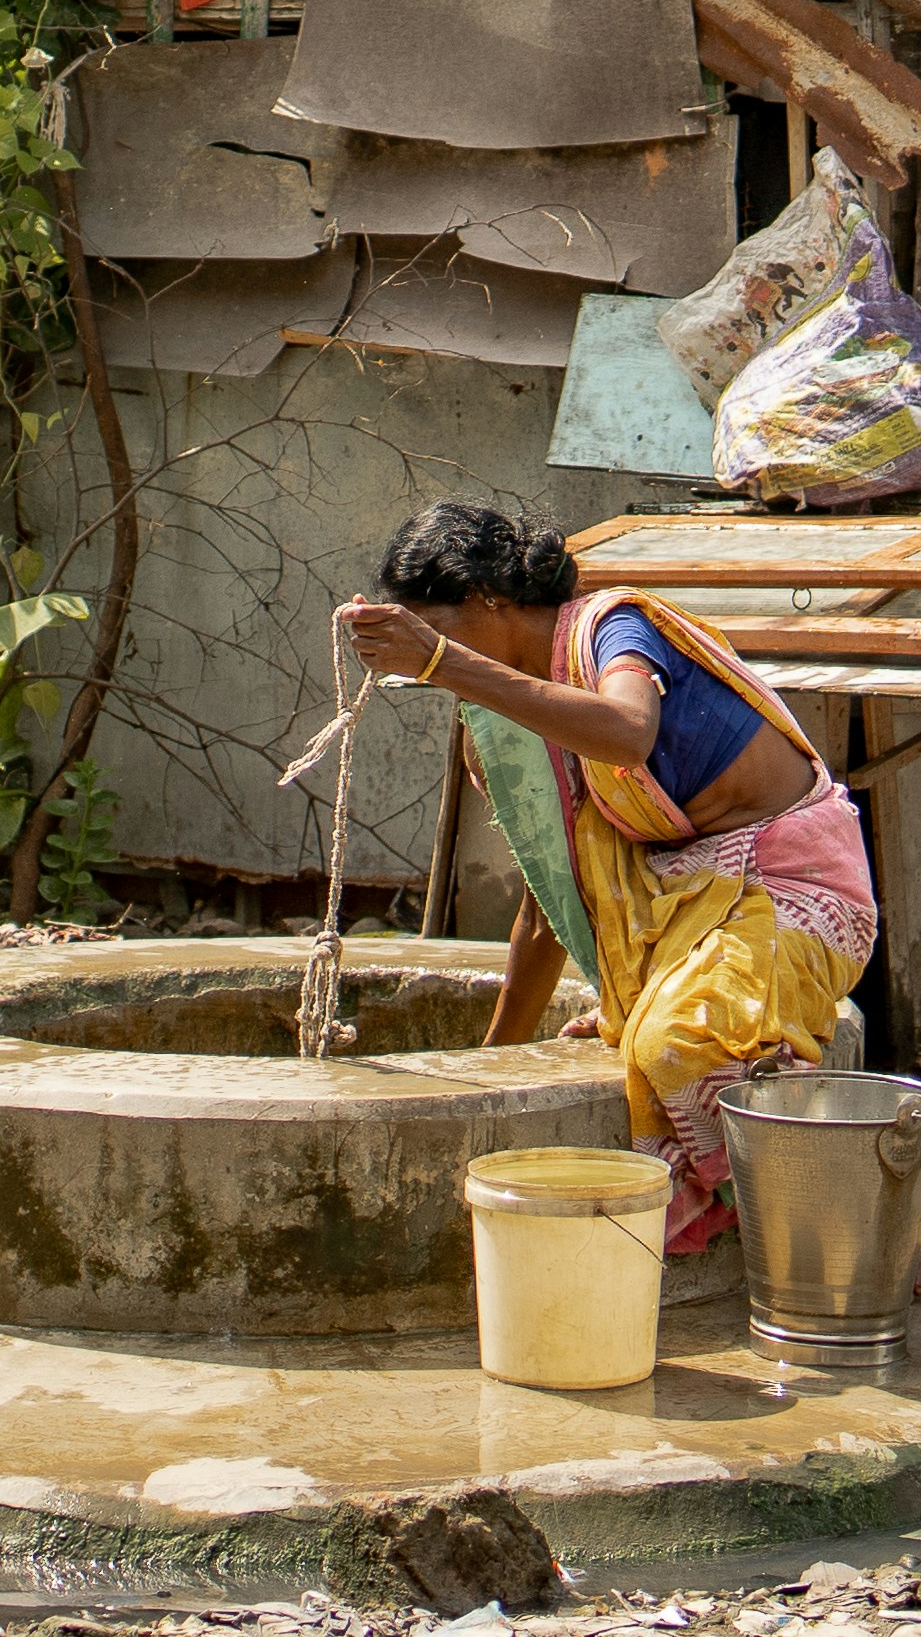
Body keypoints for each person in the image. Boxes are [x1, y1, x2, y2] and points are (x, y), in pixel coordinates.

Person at [336, 499, 877, 1254]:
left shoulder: (614, 630)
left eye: (441, 626)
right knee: (636, 1051)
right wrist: (495, 1064)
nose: (434, 654)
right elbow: (550, 904)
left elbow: (625, 734)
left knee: (674, 1045)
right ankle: (727, 1210)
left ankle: (850, 1219)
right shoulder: (518, 714)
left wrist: (439, 661)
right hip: (691, 914)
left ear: (489, 601)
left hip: (793, 892)